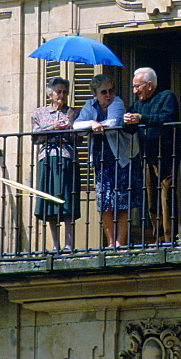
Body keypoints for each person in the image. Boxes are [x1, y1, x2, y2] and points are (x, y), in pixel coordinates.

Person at [74, 73, 142, 247]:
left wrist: (97, 125)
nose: (108, 95)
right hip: (101, 159)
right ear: (95, 92)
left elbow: (114, 122)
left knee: (122, 199)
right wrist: (91, 123)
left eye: (110, 91)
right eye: (103, 92)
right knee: (104, 201)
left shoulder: (117, 102)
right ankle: (111, 243)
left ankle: (120, 242)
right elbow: (76, 126)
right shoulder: (90, 105)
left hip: (121, 157)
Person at [124, 67, 179, 243]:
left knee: (166, 196)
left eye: (137, 86)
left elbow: (168, 118)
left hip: (166, 154)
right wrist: (126, 121)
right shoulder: (138, 103)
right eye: (133, 87)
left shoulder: (166, 96)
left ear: (149, 85)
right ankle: (158, 235)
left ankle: (170, 237)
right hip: (147, 156)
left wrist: (142, 118)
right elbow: (129, 125)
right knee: (151, 198)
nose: (134, 91)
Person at [31, 77, 81, 251]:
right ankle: (55, 244)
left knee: (67, 200)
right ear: (50, 93)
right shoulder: (39, 113)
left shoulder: (73, 113)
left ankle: (68, 244)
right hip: (47, 158)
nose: (62, 95)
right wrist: (53, 127)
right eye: (58, 91)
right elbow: (35, 137)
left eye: (65, 92)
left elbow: (79, 139)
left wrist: (68, 129)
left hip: (67, 158)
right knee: (50, 201)